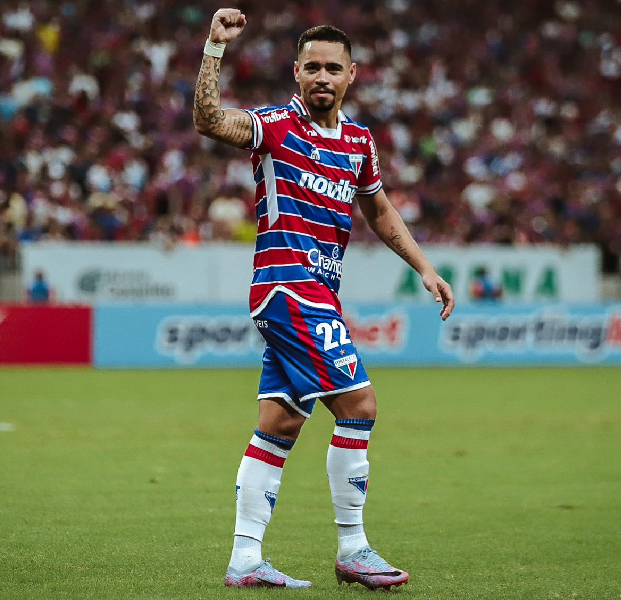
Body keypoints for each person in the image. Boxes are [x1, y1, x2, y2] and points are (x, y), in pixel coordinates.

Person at [193, 8, 455, 590]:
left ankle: (245, 558)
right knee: (359, 407)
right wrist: (214, 48)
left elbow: (379, 210)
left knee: (280, 422)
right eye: (311, 67)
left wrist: (425, 268)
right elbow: (209, 120)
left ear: (351, 75)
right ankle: (353, 548)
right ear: (295, 72)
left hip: (320, 295)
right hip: (287, 287)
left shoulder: (360, 142)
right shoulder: (275, 125)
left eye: (332, 68)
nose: (321, 77)